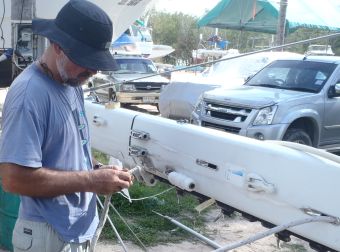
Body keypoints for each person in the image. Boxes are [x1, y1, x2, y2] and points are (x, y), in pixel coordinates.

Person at [0, 1, 133, 251]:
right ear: (58, 45)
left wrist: (96, 168)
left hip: (75, 231)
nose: (93, 70)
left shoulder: (71, 82)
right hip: (47, 234)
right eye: (85, 59)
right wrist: (92, 180)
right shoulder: (30, 94)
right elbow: (13, 180)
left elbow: (69, 147)